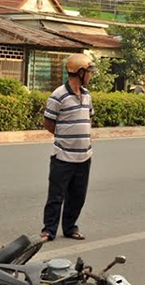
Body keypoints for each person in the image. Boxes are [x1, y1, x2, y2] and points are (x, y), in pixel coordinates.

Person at [40, 53, 96, 242]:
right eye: (89, 72)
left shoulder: (87, 96)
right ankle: (49, 230)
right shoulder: (58, 95)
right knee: (56, 195)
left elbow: (89, 118)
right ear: (80, 72)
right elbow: (48, 123)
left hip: (84, 156)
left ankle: (70, 227)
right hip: (63, 156)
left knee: (78, 196)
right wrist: (64, 137)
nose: (90, 76)